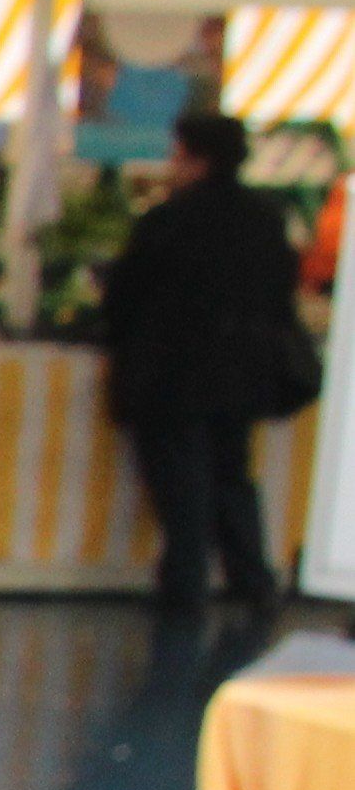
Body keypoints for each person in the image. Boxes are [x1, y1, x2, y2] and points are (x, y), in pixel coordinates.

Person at [101, 108, 305, 615]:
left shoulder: (168, 221)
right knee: (232, 476)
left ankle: (185, 588)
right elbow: (282, 295)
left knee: (182, 484)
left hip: (172, 375)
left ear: (197, 160)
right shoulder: (266, 220)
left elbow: (125, 296)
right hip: (243, 374)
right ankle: (253, 581)